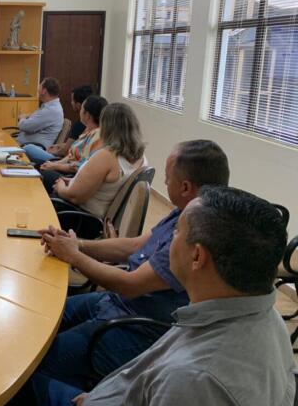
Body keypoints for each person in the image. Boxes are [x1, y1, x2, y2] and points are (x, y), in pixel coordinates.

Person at [0, 185, 294, 406]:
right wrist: (106, 398)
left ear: (197, 256)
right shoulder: (260, 317)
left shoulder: (197, 383)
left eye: (177, 233)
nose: (167, 243)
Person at [33, 140, 231, 388]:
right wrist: (78, 245)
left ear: (185, 187)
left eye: (168, 179)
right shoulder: (185, 211)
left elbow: (129, 285)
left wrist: (73, 256)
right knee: (40, 317)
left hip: (131, 327)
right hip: (115, 304)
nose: (165, 183)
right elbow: (135, 246)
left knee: (37, 363)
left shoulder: (192, 238)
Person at [51, 103, 146, 219]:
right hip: (96, 214)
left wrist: (60, 186)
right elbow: (106, 186)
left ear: (106, 128)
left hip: (81, 215)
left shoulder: (107, 156)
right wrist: (73, 181)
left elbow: (74, 197)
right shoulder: (141, 157)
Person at [30, 95, 107, 184]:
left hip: (71, 177)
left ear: (87, 115)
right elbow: (71, 156)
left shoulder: (96, 136)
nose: (80, 112)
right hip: (64, 167)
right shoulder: (88, 130)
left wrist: (55, 166)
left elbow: (79, 166)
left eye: (82, 109)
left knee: (37, 171)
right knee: (34, 164)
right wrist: (55, 164)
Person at [46, 85, 94, 159]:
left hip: (65, 161)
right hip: (71, 161)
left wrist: (50, 152)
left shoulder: (79, 125)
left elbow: (66, 151)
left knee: (30, 148)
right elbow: (76, 144)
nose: (71, 103)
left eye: (72, 100)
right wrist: (59, 146)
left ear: (79, 105)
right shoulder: (96, 126)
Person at [18, 77, 64, 151]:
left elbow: (25, 126)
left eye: (39, 87)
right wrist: (28, 116)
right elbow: (36, 119)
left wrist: (22, 118)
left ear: (44, 91)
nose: (37, 90)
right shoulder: (49, 107)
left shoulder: (50, 110)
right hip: (25, 145)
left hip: (32, 149)